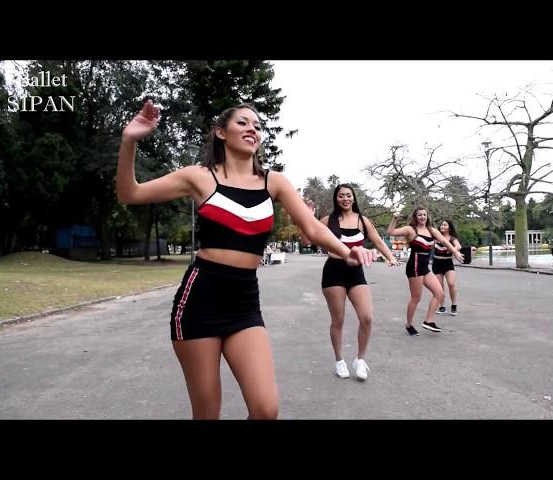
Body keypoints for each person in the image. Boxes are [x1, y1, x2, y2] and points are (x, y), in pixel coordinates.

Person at [116, 100, 374, 419]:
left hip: (244, 303)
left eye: (257, 125)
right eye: (243, 123)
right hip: (200, 301)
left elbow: (312, 228)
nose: (252, 128)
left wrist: (347, 251)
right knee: (207, 413)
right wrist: (129, 140)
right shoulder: (199, 176)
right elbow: (130, 194)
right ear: (221, 132)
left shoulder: (273, 182)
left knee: (266, 409)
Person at [320, 184, 399, 381]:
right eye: (341, 196)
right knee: (338, 320)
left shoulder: (363, 221)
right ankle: (339, 360)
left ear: (353, 198)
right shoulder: (327, 220)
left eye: (348, 195)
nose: (345, 198)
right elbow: (308, 239)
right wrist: (305, 217)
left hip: (356, 273)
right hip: (333, 273)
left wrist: (391, 257)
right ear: (336, 199)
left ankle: (360, 360)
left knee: (367, 317)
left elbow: (378, 242)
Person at [387, 207, 464, 335]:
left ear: (427, 216)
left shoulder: (431, 230)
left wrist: (455, 252)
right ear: (415, 217)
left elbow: (445, 241)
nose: (422, 217)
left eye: (424, 215)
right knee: (416, 297)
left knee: (439, 293)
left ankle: (429, 321)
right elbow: (390, 232)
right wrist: (394, 218)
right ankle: (409, 324)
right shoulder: (410, 229)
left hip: (425, 268)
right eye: (419, 215)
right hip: (414, 266)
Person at [432, 219, 462, 316]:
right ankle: (442, 306)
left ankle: (454, 305)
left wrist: (452, 249)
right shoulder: (436, 237)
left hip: (448, 263)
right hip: (437, 263)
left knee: (451, 283)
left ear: (449, 228)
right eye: (441, 225)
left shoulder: (452, 239)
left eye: (444, 225)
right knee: (440, 287)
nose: (442, 226)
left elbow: (458, 246)